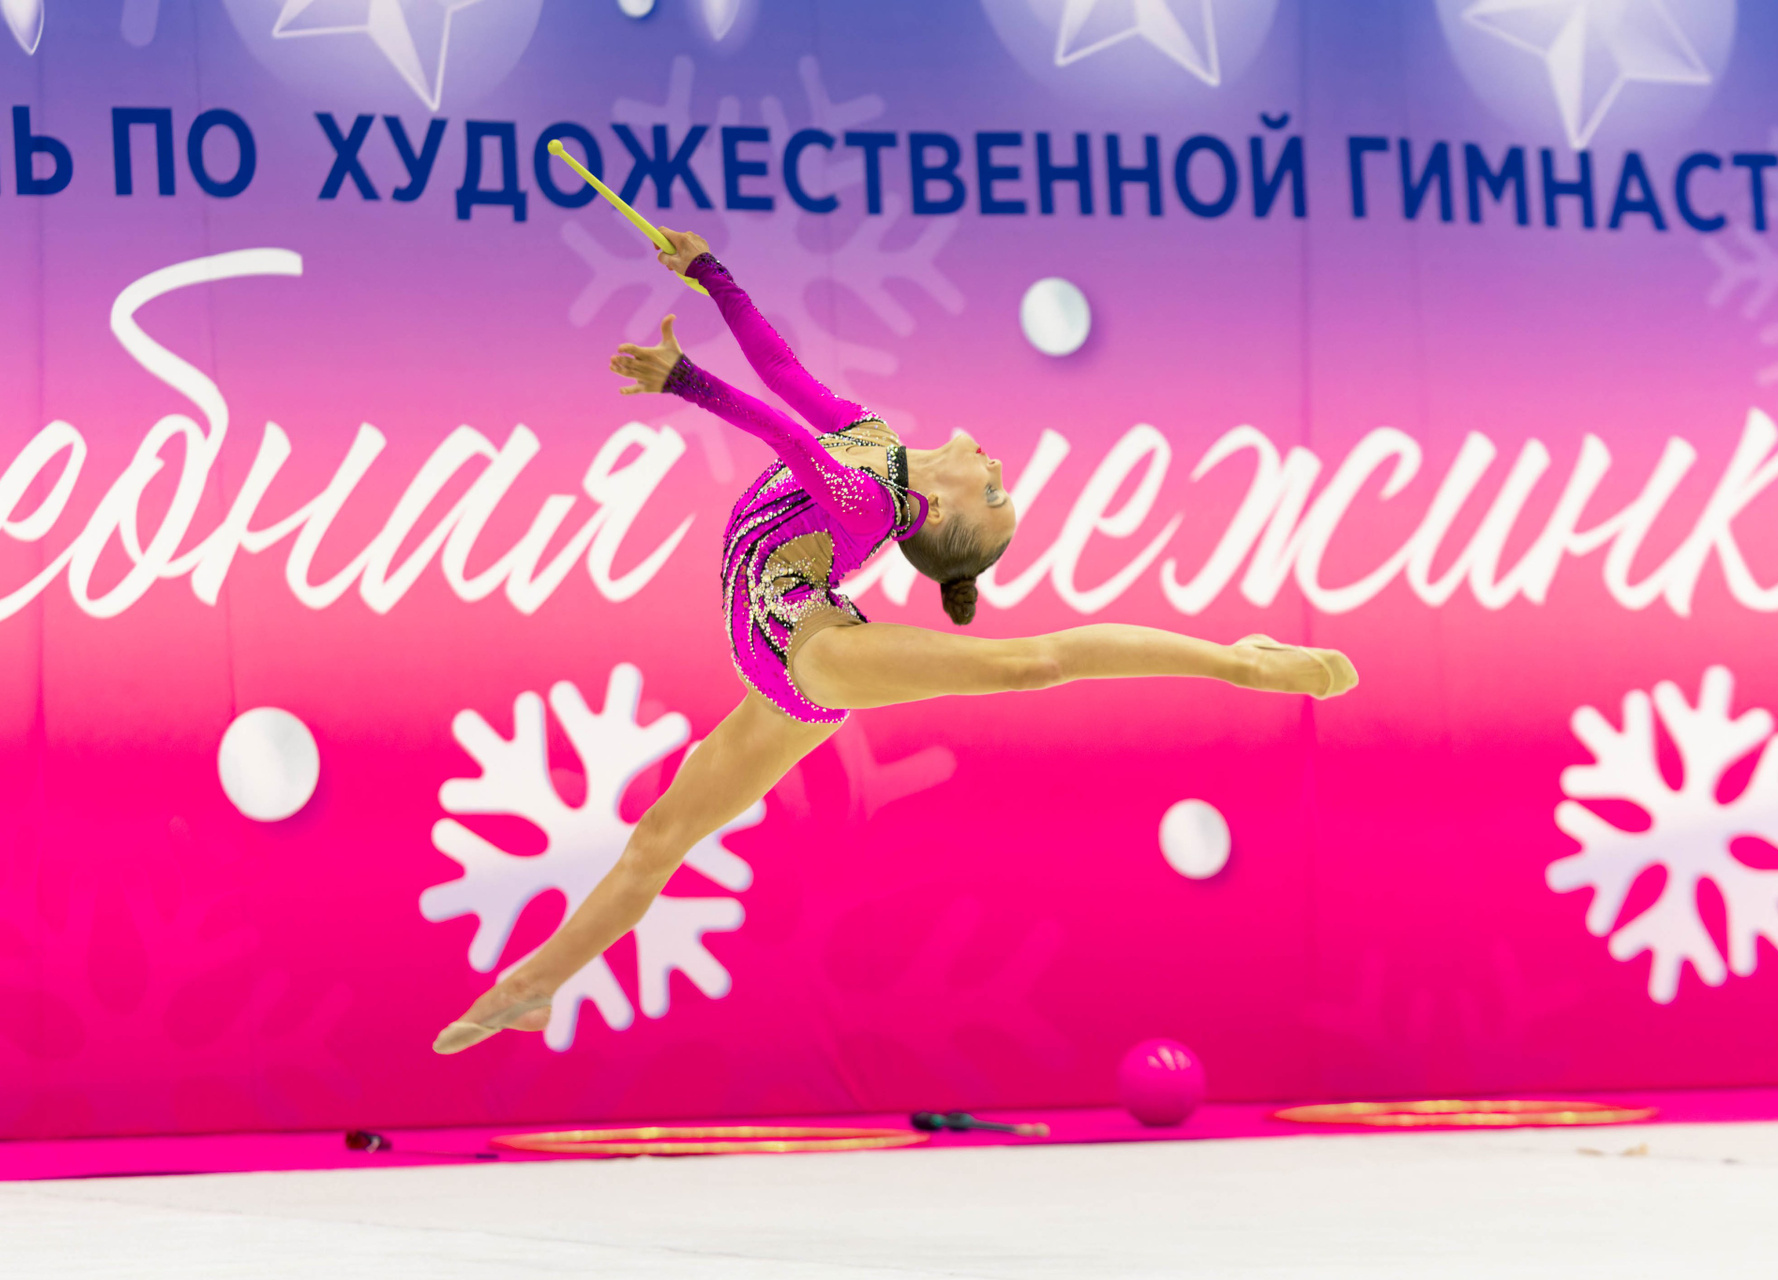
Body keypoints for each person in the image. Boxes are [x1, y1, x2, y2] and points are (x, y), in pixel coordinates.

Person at [433, 230, 1356, 1053]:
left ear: (943, 515)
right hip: (776, 661)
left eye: (993, 494)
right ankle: (532, 986)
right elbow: (785, 372)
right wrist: (711, 274)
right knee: (659, 838)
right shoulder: (870, 437)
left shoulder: (871, 499)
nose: (997, 467)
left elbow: (788, 441)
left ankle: (1241, 660)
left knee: (1028, 663)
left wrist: (688, 382)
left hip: (808, 646)